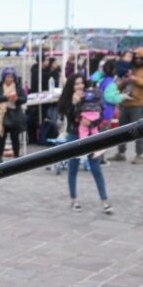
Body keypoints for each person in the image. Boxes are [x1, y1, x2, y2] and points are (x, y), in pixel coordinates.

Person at [58, 74, 112, 214]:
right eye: (76, 84)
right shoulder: (68, 100)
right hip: (74, 136)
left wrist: (91, 122)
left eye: (81, 83)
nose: (80, 86)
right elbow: (70, 118)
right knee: (73, 168)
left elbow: (100, 114)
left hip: (90, 136)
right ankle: (74, 199)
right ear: (71, 86)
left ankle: (105, 201)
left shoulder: (91, 96)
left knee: (96, 169)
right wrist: (75, 104)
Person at [111, 47, 143, 164]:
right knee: (121, 130)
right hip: (125, 103)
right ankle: (121, 153)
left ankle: (139, 154)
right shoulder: (129, 69)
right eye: (136, 57)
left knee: (140, 130)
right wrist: (125, 81)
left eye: (141, 58)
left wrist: (135, 79)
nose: (138, 60)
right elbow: (119, 86)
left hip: (139, 104)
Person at [0, 67, 27, 164]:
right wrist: (4, 97)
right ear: (3, 78)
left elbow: (24, 99)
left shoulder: (18, 87)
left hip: (15, 115)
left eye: (11, 77)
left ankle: (16, 157)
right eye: (7, 77)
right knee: (1, 138)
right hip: (1, 116)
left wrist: (17, 99)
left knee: (15, 138)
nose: (9, 79)